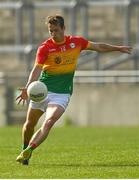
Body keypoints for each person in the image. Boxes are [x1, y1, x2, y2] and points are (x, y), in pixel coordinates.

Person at [16, 15, 132, 165]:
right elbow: (36, 70)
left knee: (49, 121)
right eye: (50, 31)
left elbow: (98, 47)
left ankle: (29, 150)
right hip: (42, 92)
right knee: (29, 125)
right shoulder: (45, 48)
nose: (53, 33)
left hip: (61, 94)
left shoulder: (76, 42)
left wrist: (117, 48)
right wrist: (27, 87)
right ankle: (24, 148)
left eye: (56, 30)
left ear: (64, 29)